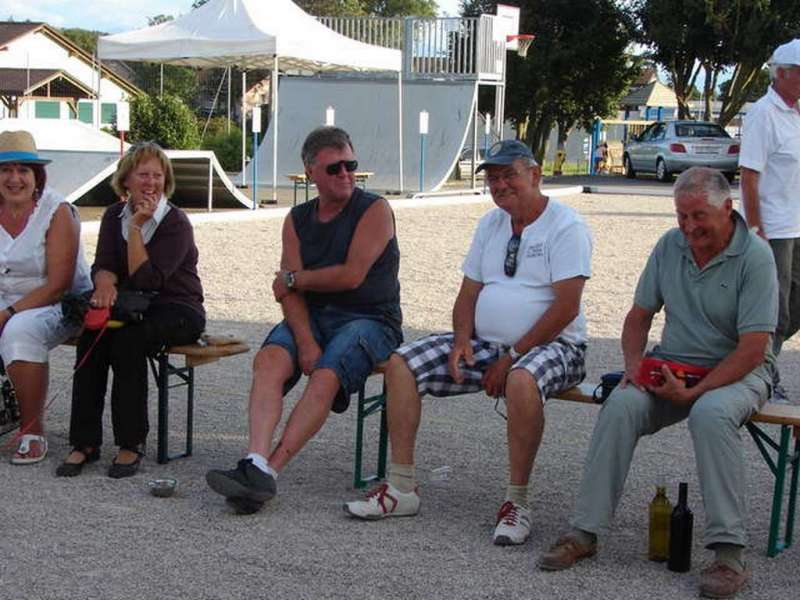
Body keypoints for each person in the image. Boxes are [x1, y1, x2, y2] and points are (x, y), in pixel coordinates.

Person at [539, 167, 777, 600]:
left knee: (711, 413)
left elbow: (753, 349)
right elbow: (638, 317)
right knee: (622, 405)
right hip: (674, 365)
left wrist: (695, 392)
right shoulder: (670, 246)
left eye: (698, 216)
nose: (688, 228)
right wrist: (633, 365)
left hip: (738, 370)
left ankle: (728, 554)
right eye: (681, 216)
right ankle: (584, 532)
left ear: (728, 208)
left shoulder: (756, 257)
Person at [344, 139, 593, 547]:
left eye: (508, 174)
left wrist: (513, 356)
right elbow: (468, 294)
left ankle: (517, 503)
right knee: (401, 364)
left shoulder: (567, 226)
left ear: (535, 174)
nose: (499, 185)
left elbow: (566, 308)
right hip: (486, 344)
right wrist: (461, 340)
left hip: (555, 347)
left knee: (521, 380)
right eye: (492, 178)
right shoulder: (489, 224)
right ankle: (402, 487)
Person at [205, 126, 402, 513]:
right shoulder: (296, 219)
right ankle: (255, 461)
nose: (346, 174)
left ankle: (269, 474)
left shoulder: (375, 210)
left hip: (371, 317)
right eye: (335, 168)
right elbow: (288, 295)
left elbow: (351, 275)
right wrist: (306, 340)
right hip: (316, 315)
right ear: (311, 172)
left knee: (327, 374)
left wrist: (293, 278)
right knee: (269, 361)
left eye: (351, 165)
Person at [56, 142, 205, 479]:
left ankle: (130, 442)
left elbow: (148, 278)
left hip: (176, 307)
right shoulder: (112, 215)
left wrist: (137, 227)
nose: (150, 182)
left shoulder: (175, 222)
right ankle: (84, 441)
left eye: (157, 175)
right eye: (143, 175)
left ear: (165, 181)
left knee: (128, 341)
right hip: (132, 303)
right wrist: (104, 283)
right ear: (126, 180)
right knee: (92, 335)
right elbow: (105, 263)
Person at [0, 130, 91, 464]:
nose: (14, 178)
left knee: (19, 331)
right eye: (5, 170)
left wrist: (7, 312)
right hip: (6, 298)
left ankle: (32, 430)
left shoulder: (57, 211)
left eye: (23, 170)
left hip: (59, 302)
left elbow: (58, 283)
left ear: (36, 176)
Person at [739, 39, 800, 367]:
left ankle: (753, 355)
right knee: (775, 307)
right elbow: (749, 176)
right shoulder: (764, 113)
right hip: (775, 227)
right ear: (782, 73)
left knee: (793, 305)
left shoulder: (795, 112)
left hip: (797, 224)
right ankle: (762, 372)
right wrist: (756, 229)